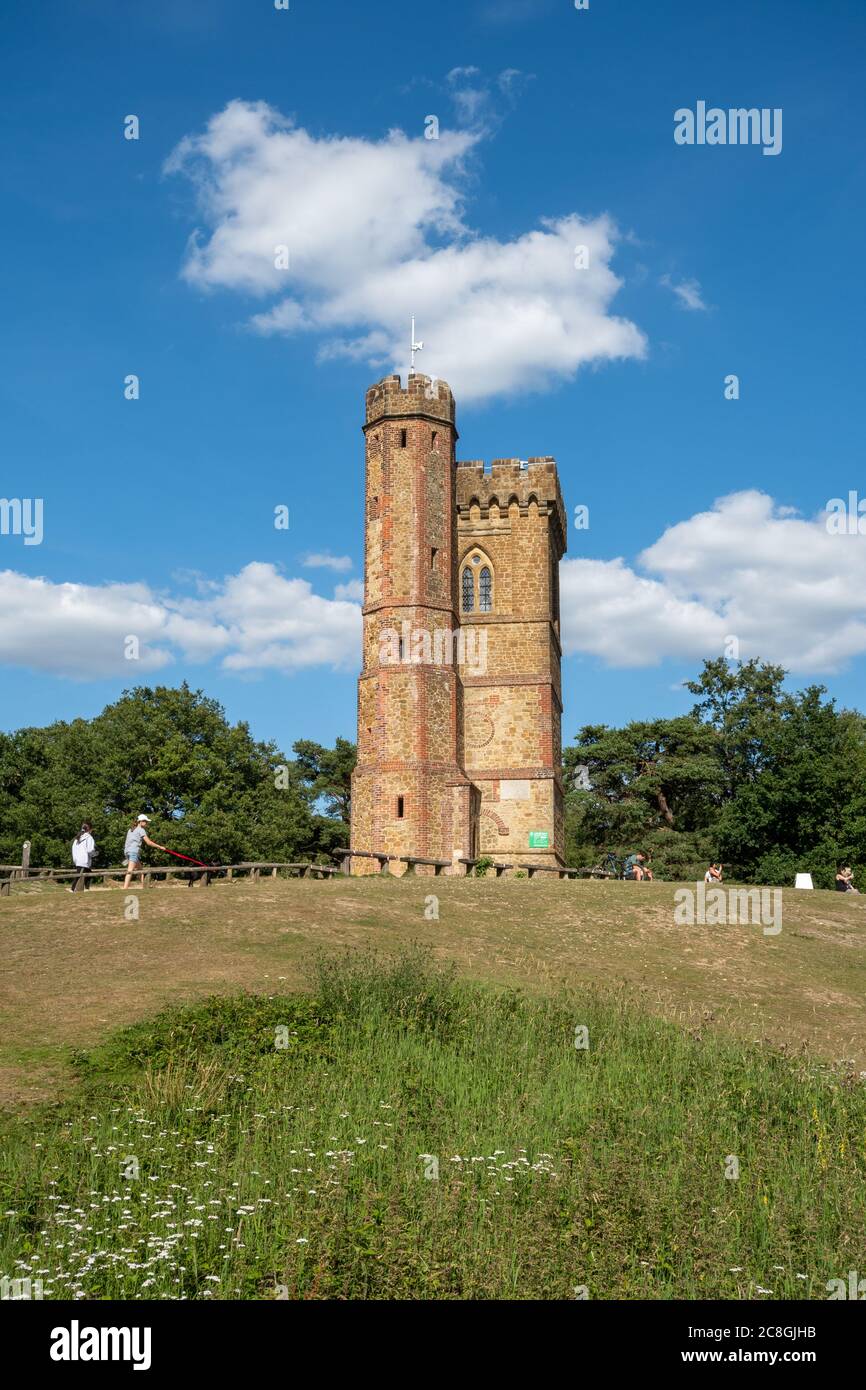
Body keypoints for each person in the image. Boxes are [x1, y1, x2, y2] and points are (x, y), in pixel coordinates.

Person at [123, 815, 166, 890]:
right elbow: (148, 842)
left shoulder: (131, 829)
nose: (146, 823)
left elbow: (127, 842)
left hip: (127, 851)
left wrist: (127, 852)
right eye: (145, 821)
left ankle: (144, 887)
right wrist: (160, 847)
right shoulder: (141, 830)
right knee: (129, 871)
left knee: (140, 870)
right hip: (133, 852)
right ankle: (125, 888)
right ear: (141, 821)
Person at [69, 822, 95, 891]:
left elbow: (73, 850)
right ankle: (73, 889)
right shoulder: (89, 837)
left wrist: (75, 860)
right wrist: (94, 854)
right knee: (84, 876)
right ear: (90, 829)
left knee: (83, 874)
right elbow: (90, 850)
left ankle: (83, 889)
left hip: (78, 860)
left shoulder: (77, 838)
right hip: (85, 860)